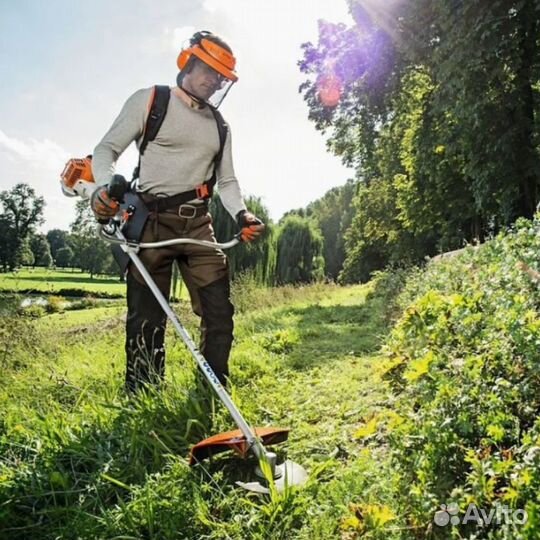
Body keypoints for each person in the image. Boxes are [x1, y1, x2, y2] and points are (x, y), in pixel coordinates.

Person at [89, 30, 264, 393]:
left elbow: (227, 181)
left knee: (219, 312)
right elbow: (106, 150)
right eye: (210, 71)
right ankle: (144, 395)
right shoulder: (152, 100)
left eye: (221, 77)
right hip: (149, 223)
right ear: (188, 62)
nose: (215, 82)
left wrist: (242, 215)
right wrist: (105, 189)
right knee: (147, 319)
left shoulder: (220, 125)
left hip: (198, 225)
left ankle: (211, 392)